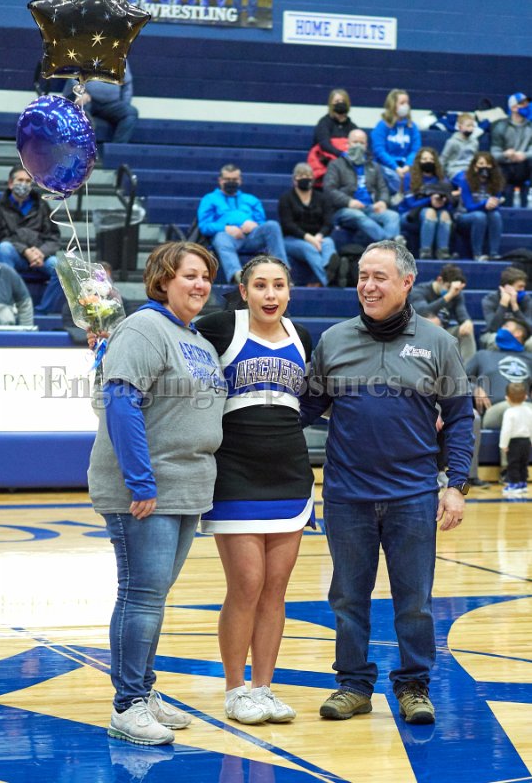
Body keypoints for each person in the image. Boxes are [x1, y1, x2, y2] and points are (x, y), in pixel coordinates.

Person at [300, 239, 474, 725]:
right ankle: (353, 685)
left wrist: (456, 484)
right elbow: (304, 409)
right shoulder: (334, 340)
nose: (368, 286)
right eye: (362, 276)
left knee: (414, 601)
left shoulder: (437, 343)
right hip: (346, 495)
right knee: (347, 598)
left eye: (379, 277)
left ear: (406, 282)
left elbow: (460, 417)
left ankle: (414, 686)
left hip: (413, 495)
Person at [88, 242, 227, 745]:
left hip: (187, 487)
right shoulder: (144, 328)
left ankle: (142, 692)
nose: (200, 284)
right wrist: (141, 480)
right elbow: (120, 401)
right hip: (147, 491)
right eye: (190, 275)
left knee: (153, 597)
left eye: (206, 276)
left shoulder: (196, 338)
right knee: (141, 596)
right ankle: (126, 705)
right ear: (163, 279)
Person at [197, 255, 314, 726]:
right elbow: (171, 346)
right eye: (260, 285)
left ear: (289, 291)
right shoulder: (220, 327)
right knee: (246, 584)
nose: (270, 294)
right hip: (235, 473)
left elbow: (310, 402)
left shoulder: (302, 337)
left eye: (279, 285)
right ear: (244, 292)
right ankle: (234, 690)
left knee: (275, 589)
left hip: (289, 472)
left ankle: (263, 688)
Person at [197, 163, 289, 284]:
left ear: (240, 180)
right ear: (220, 180)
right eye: (227, 179)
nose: (231, 182)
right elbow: (204, 226)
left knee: (272, 225)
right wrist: (225, 228)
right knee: (220, 237)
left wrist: (255, 225)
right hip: (227, 238)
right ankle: (238, 275)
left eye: (234, 179)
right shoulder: (209, 199)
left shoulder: (251, 199)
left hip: (251, 237)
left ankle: (282, 271)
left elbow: (262, 221)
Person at [0, 165, 64, 314]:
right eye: (20, 180)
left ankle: (43, 311)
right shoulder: (1, 206)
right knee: (3, 248)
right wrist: (25, 251)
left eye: (28, 181)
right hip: (14, 255)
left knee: (60, 267)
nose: (24, 184)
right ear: (10, 183)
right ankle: (8, 306)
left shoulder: (42, 205)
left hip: (40, 257)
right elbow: (1, 236)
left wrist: (41, 252)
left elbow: (53, 237)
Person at [323, 129, 402, 244]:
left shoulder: (374, 166)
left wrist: (383, 201)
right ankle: (390, 244)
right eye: (355, 142)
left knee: (393, 216)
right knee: (358, 215)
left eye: (362, 143)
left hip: (370, 208)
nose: (358, 146)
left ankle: (389, 247)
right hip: (345, 210)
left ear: (366, 146)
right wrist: (349, 201)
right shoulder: (336, 165)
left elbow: (382, 188)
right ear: (348, 144)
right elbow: (329, 189)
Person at [278, 162, 338, 287]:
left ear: (313, 179)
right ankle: (329, 280)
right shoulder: (286, 199)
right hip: (292, 239)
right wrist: (309, 239)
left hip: (318, 237)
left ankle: (329, 269)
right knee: (309, 248)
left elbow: (329, 223)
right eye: (301, 175)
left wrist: (319, 236)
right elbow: (288, 225)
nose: (305, 178)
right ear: (294, 180)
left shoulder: (322, 198)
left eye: (308, 175)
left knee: (329, 243)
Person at [466, 318, 532, 429]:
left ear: (518, 333)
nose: (500, 330)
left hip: (526, 406)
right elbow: (457, 380)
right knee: (515, 412)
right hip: (495, 409)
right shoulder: (482, 355)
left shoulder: (530, 358)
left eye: (506, 326)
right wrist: (474, 388)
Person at [409, 263, 476, 362]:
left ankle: (468, 370)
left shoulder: (456, 293)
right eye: (448, 287)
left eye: (455, 290)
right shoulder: (419, 291)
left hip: (444, 333)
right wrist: (449, 296)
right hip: (421, 334)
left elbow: (461, 313)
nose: (452, 291)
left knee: (466, 331)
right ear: (439, 280)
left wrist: (467, 321)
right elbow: (423, 311)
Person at [399, 147, 456, 260]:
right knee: (430, 212)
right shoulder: (409, 177)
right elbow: (411, 204)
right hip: (410, 215)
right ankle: (425, 251)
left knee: (444, 214)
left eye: (431, 159)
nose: (428, 161)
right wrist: (430, 200)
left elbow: (450, 205)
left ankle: (443, 251)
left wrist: (443, 201)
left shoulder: (442, 179)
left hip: (437, 212)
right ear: (418, 161)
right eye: (424, 159)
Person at [453, 152, 505, 261]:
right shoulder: (465, 180)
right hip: (464, 216)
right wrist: (485, 204)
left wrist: (494, 204)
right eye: (481, 164)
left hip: (485, 214)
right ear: (475, 166)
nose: (484, 167)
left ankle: (494, 253)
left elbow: (496, 203)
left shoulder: (496, 181)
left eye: (488, 164)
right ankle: (477, 254)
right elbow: (469, 207)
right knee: (479, 216)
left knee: (495, 215)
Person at [370, 89, 422, 195]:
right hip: (386, 166)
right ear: (393, 105)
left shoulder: (412, 127)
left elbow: (415, 150)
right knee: (393, 178)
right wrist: (395, 167)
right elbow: (379, 150)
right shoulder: (382, 126)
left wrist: (408, 165)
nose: (406, 106)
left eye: (407, 103)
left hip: (406, 166)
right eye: (402, 103)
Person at [70, 66, 138, 144]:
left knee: (130, 112)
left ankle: (116, 148)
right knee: (80, 110)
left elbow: (127, 85)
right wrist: (81, 93)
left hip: (111, 104)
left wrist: (125, 103)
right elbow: (74, 76)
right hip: (88, 100)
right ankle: (84, 148)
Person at [308, 89, 357, 186]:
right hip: (326, 165)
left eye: (343, 101)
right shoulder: (324, 123)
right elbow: (324, 144)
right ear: (331, 104)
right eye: (337, 101)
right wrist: (341, 154)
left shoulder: (352, 127)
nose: (340, 103)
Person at [490, 93, 532, 208]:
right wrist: (505, 154)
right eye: (523, 104)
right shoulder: (500, 126)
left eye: (527, 104)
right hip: (506, 166)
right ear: (513, 107)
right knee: (501, 174)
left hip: (525, 166)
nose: (527, 106)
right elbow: (494, 153)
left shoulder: (530, 126)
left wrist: (525, 155)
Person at [481, 265, 532, 352]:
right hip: (496, 333)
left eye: (524, 287)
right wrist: (503, 305)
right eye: (520, 287)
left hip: (520, 335)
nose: (523, 290)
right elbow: (492, 328)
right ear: (507, 287)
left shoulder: (526, 299)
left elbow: (530, 328)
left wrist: (515, 307)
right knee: (495, 339)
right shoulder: (489, 300)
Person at [499, 382, 532, 497]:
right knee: (524, 463)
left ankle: (514, 485)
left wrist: (503, 445)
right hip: (526, 442)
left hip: (514, 443)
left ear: (507, 398)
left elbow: (506, 431)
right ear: (525, 396)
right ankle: (523, 483)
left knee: (513, 464)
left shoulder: (509, 412)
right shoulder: (529, 410)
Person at [440, 112, 480, 180]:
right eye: (468, 126)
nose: (471, 128)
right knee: (465, 179)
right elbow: (443, 159)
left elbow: (475, 159)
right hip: (455, 170)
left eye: (472, 126)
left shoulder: (475, 142)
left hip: (470, 170)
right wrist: (441, 176)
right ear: (460, 127)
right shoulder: (452, 142)